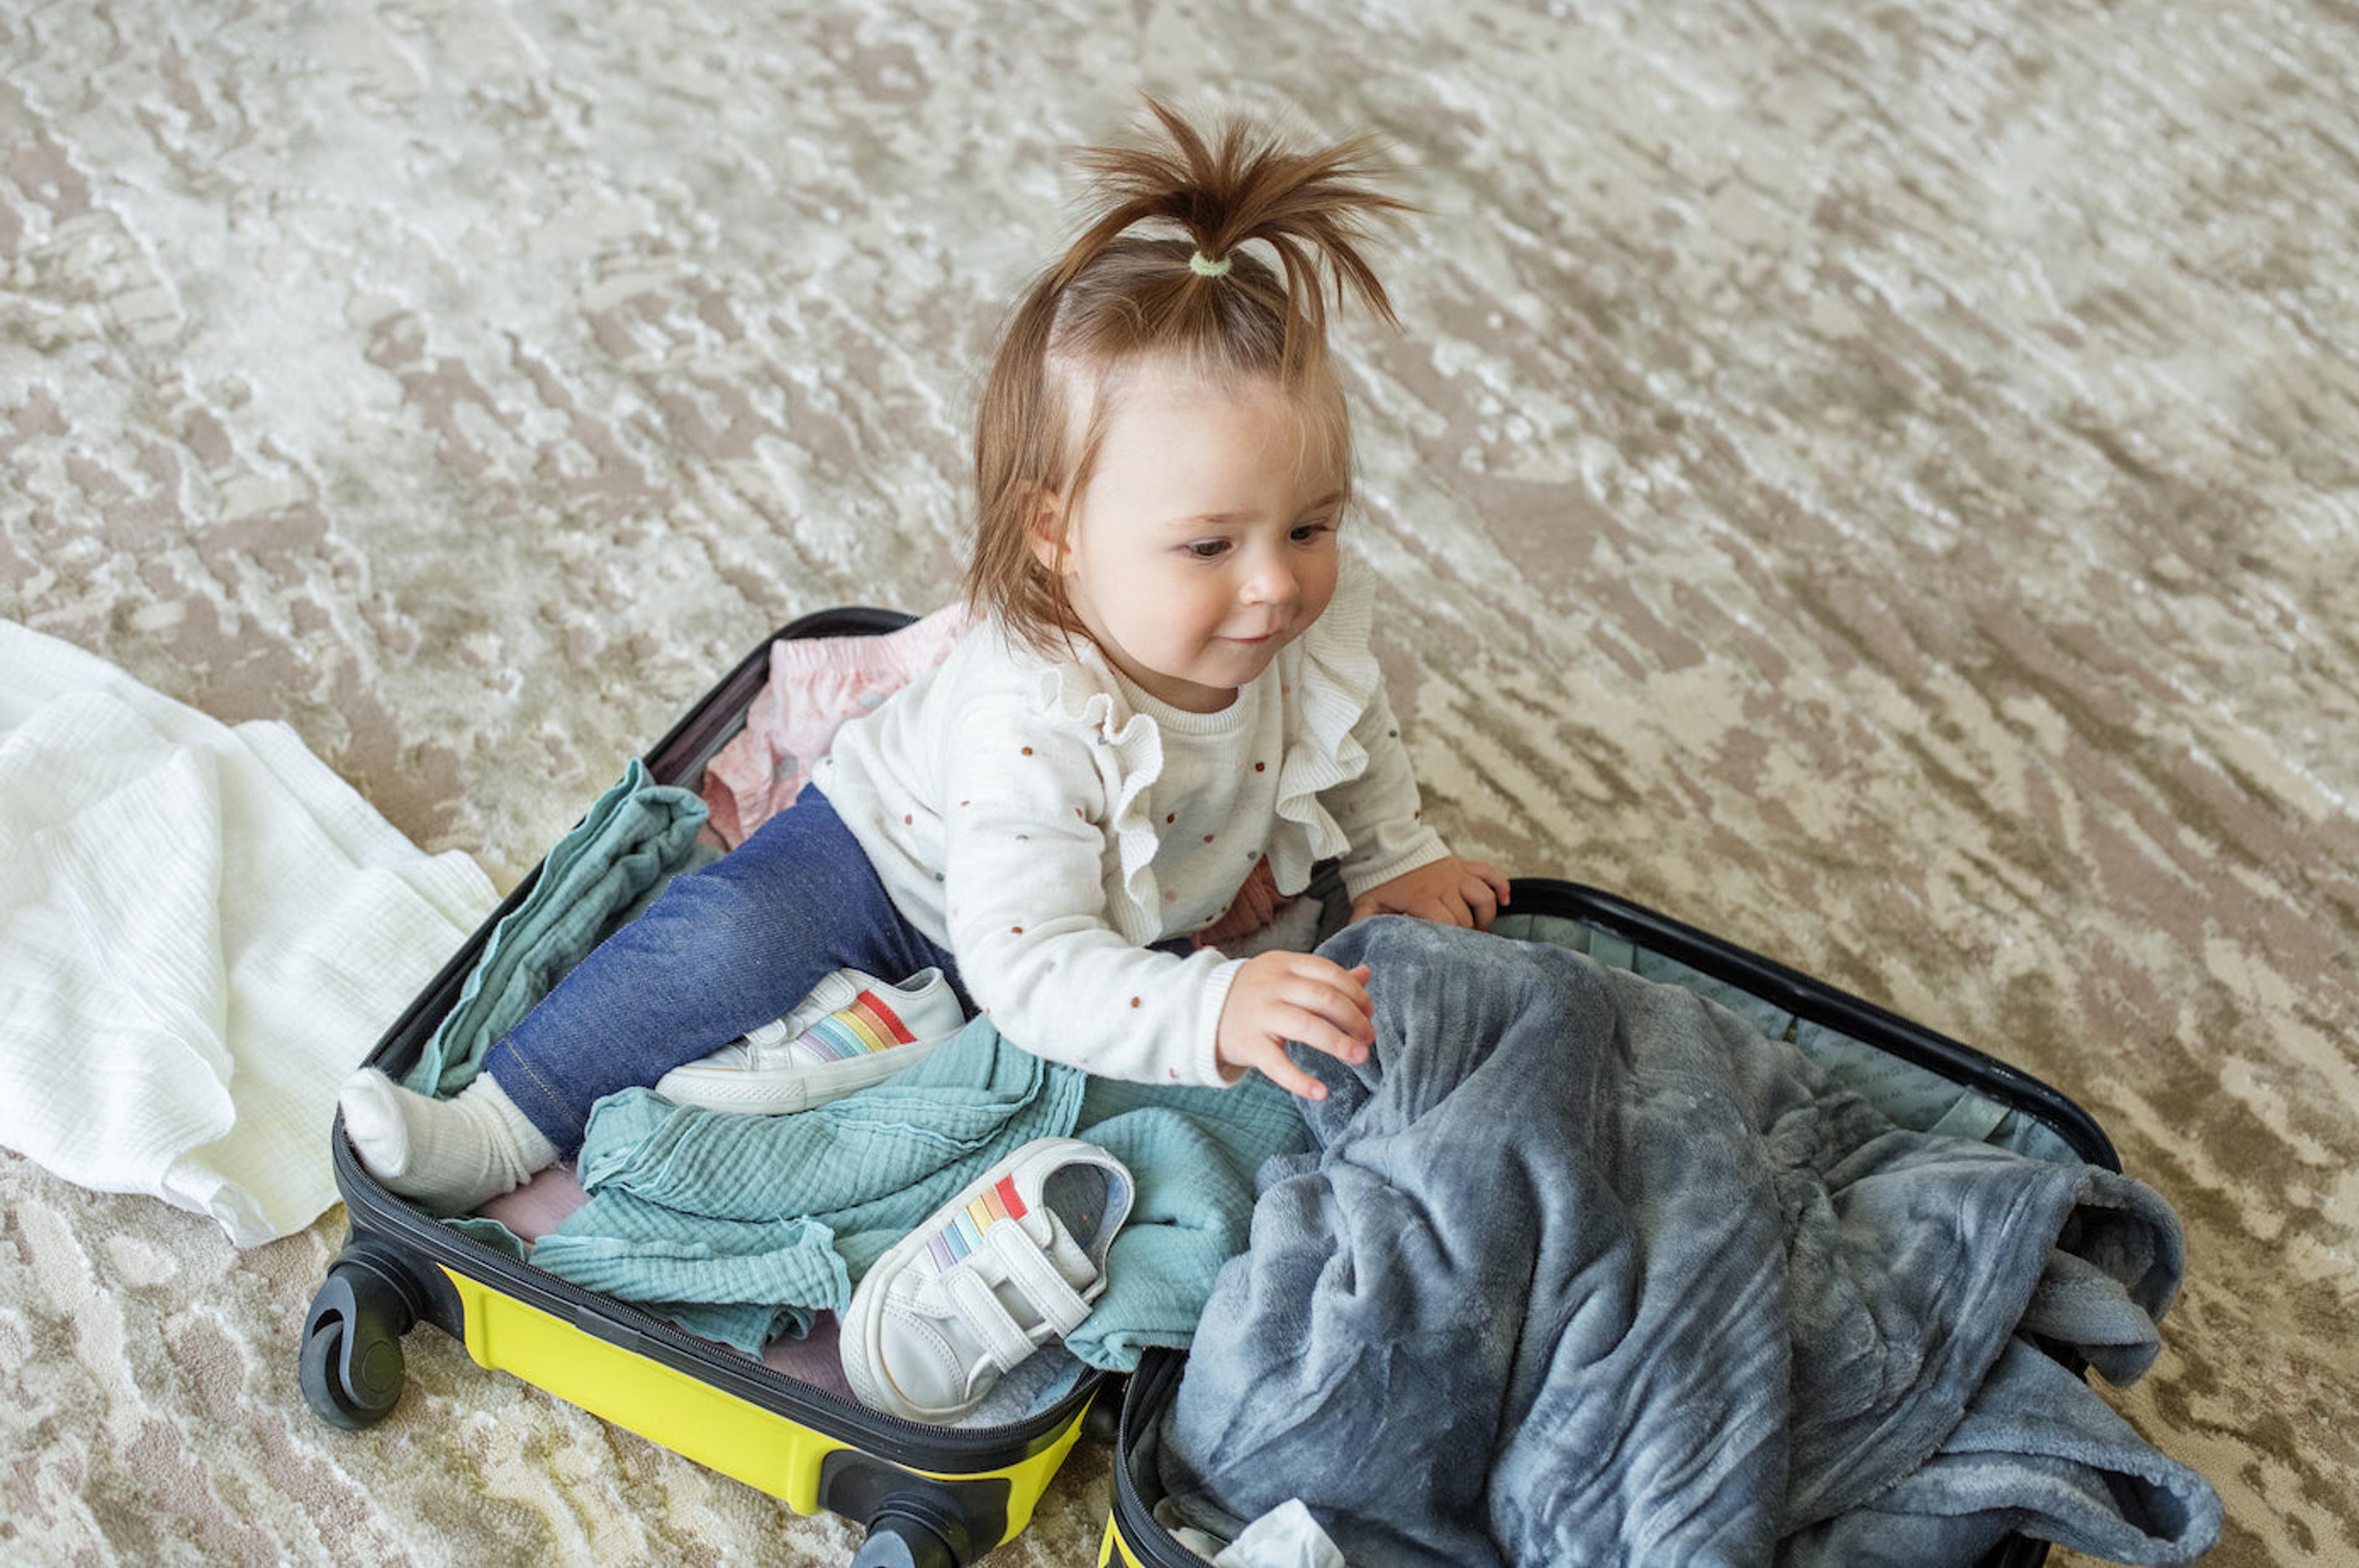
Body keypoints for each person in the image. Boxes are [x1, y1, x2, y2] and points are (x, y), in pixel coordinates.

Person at [340, 97, 1510, 1215]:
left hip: (1115, 901)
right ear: (1056, 537)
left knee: (1134, 1093)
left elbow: (1353, 738)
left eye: (1312, 526)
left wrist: (1396, 853)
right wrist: (1208, 1003)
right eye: (1210, 544)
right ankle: (497, 1125)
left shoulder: (1290, 616)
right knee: (721, 944)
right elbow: (1036, 964)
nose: (1278, 583)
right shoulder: (1035, 714)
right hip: (893, 866)